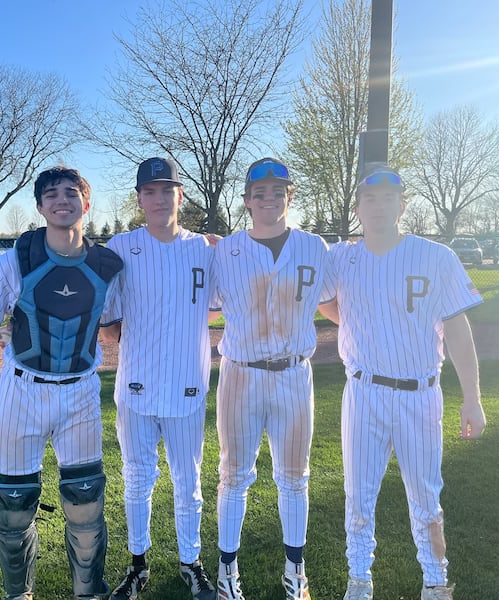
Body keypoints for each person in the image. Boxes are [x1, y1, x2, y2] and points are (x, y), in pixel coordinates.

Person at [318, 166, 486, 600]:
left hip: (420, 393)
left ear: (402, 204)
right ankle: (359, 581)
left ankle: (435, 582)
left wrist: (473, 399)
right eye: (369, 200)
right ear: (357, 208)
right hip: (364, 392)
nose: (378, 207)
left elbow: (459, 329)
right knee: (358, 496)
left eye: (388, 198)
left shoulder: (436, 256)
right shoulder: (342, 257)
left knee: (426, 499)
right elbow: (323, 298)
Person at [0, 166, 123, 600]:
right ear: (39, 206)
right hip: (23, 388)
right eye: (51, 194)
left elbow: (111, 330)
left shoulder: (107, 266)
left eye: (72, 193)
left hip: (80, 390)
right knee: (15, 505)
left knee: (85, 499)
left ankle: (88, 592)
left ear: (86, 203)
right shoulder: (14, 260)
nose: (62, 200)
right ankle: (19, 594)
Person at [211, 158, 336, 600]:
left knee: (294, 475)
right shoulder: (224, 250)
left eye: (277, 191)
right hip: (240, 374)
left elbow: (335, 305)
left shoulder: (314, 247)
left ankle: (295, 569)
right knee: (234, 474)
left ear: (290, 196)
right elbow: (198, 307)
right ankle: (227, 571)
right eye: (259, 192)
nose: (269, 199)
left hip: (292, 374)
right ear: (246, 200)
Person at [100, 158, 218, 600]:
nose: (158, 198)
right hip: (135, 386)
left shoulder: (207, 249)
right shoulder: (120, 246)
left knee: (189, 481)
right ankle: (138, 565)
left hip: (187, 384)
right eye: (150, 191)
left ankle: (192, 562)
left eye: (167, 189)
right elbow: (108, 325)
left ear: (180, 195)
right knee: (137, 478)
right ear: (139, 198)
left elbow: (230, 299)